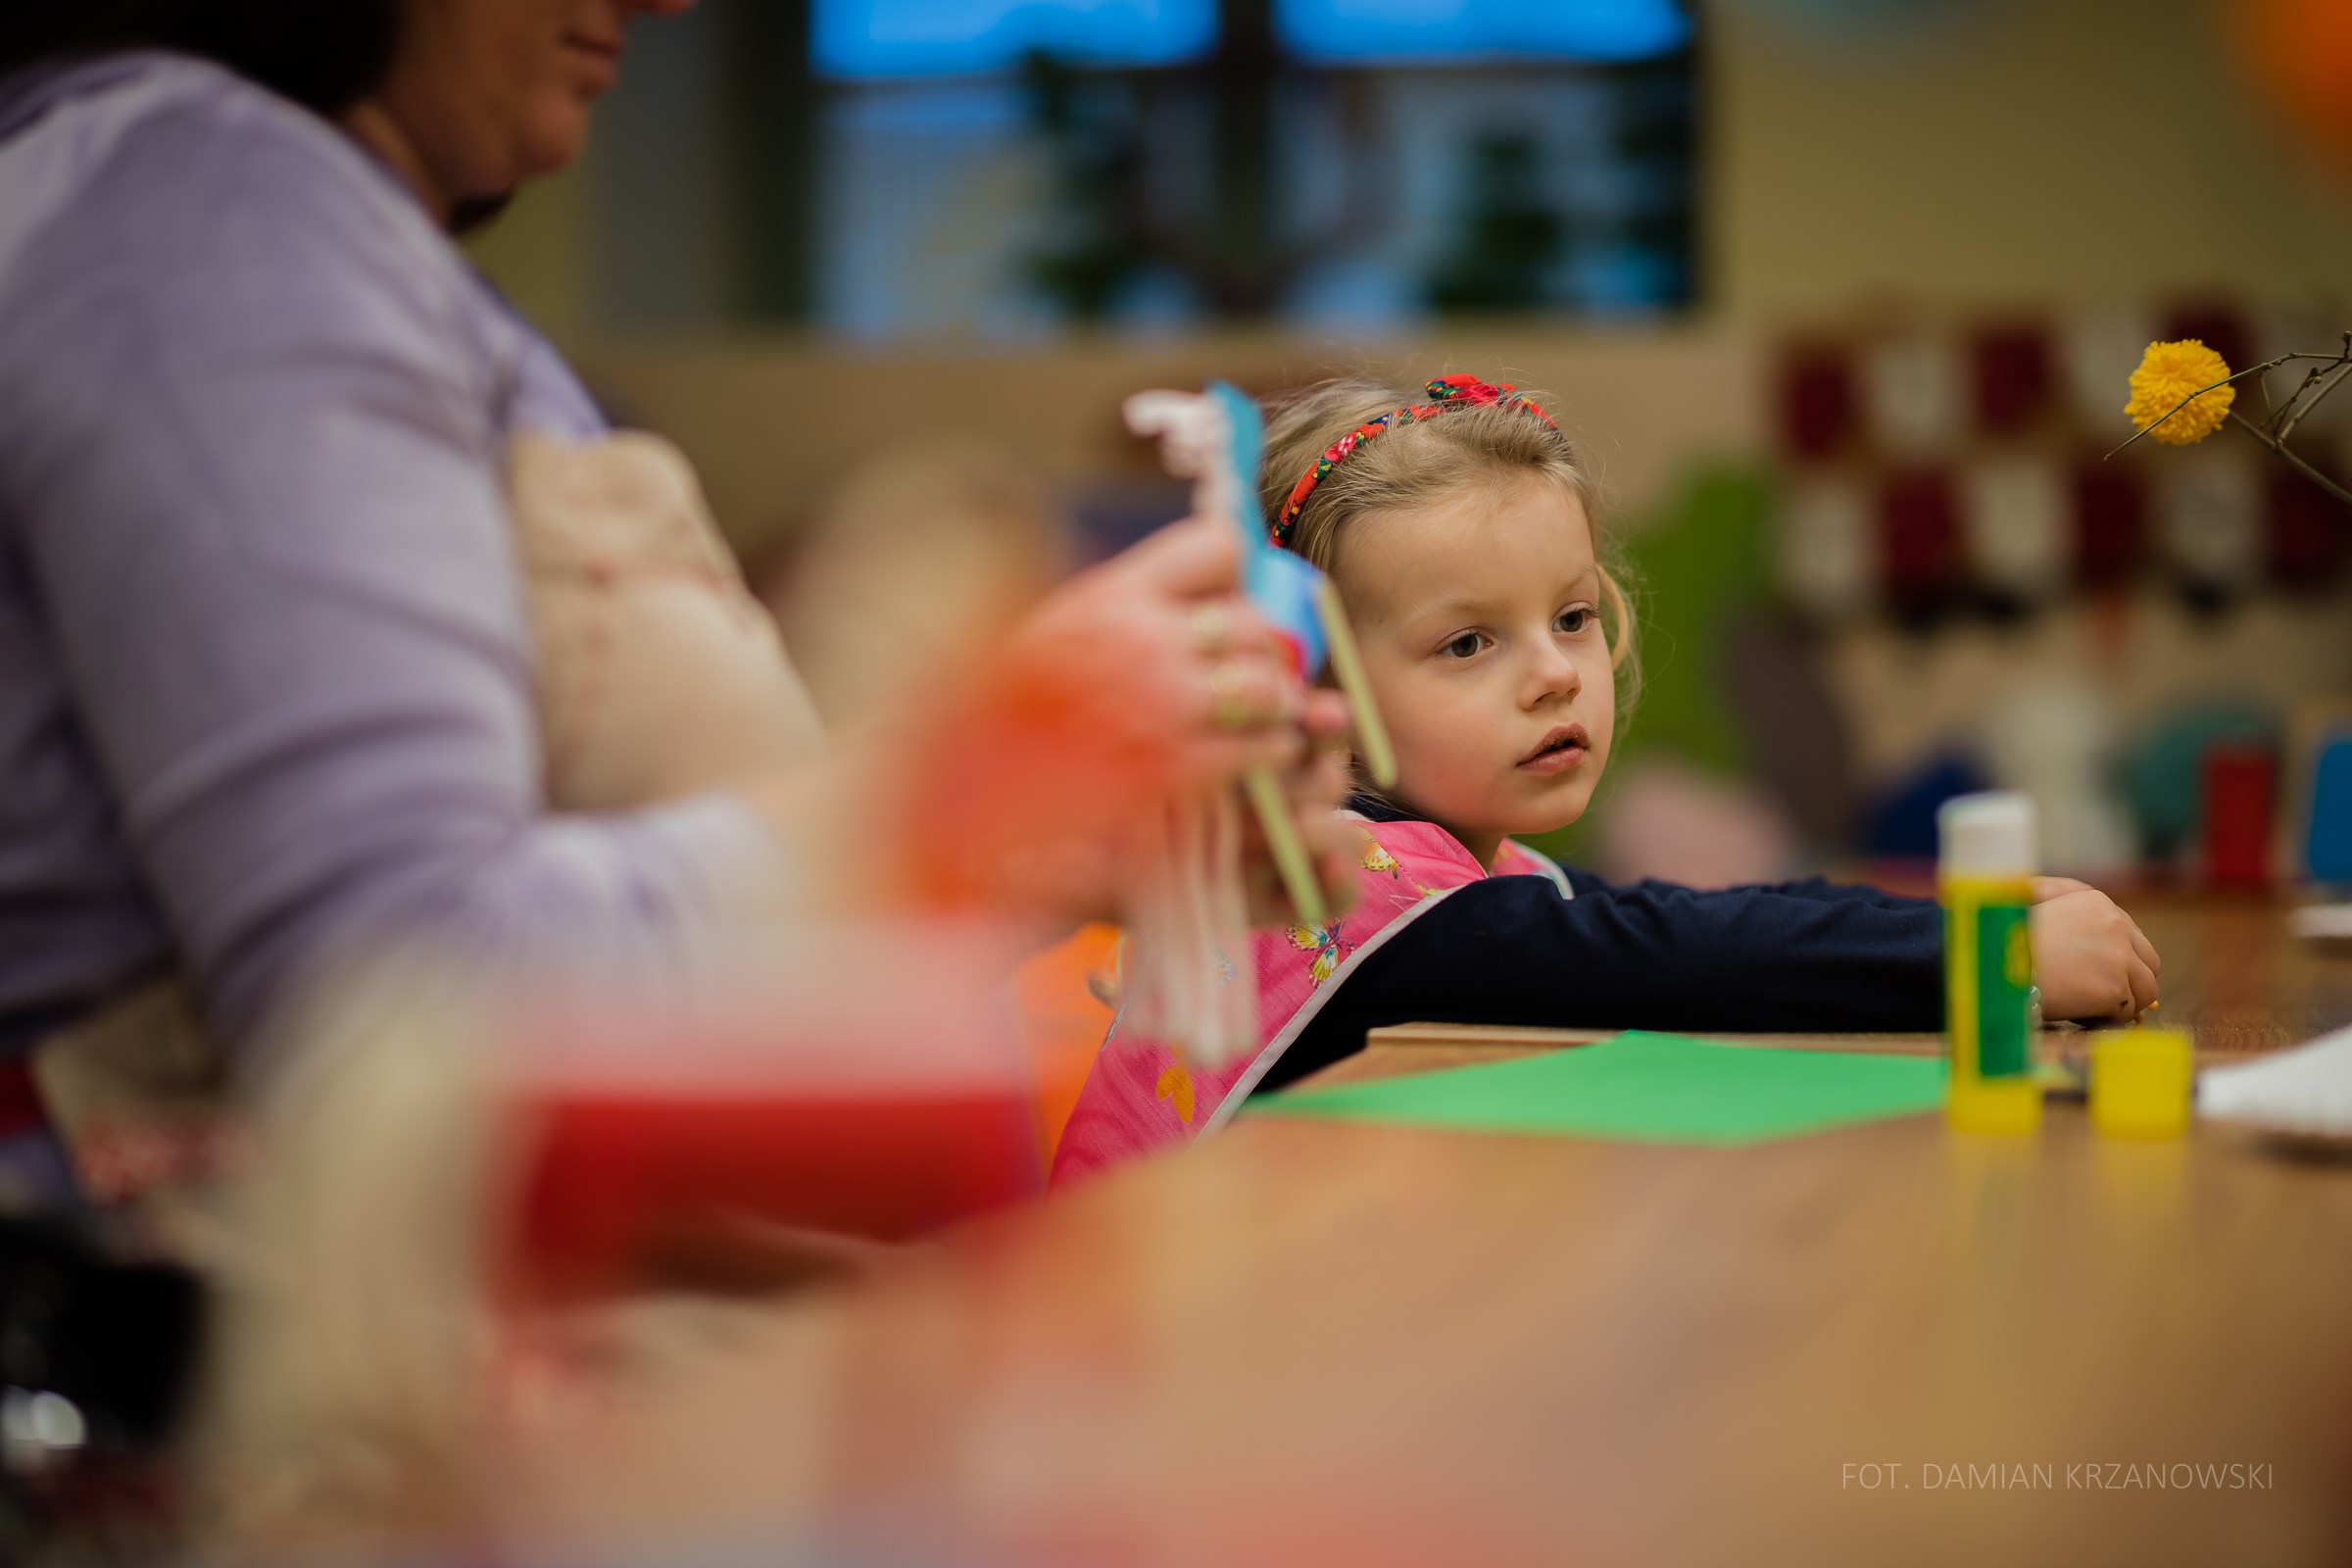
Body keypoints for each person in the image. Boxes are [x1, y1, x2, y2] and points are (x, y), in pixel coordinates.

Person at [0, 1, 1352, 1205]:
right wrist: (983, 776)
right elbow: (388, 1012)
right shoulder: (210, 217)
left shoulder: (286, 225)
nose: (666, 2)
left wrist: (1057, 837)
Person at [1051, 374, 2163, 1184]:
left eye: (1573, 618)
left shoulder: (1453, 875)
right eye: (1468, 643)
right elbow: (1664, 953)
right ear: (1315, 689)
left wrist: (1969, 917)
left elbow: (1672, 916)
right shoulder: (1344, 890)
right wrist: (1987, 959)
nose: (1555, 674)